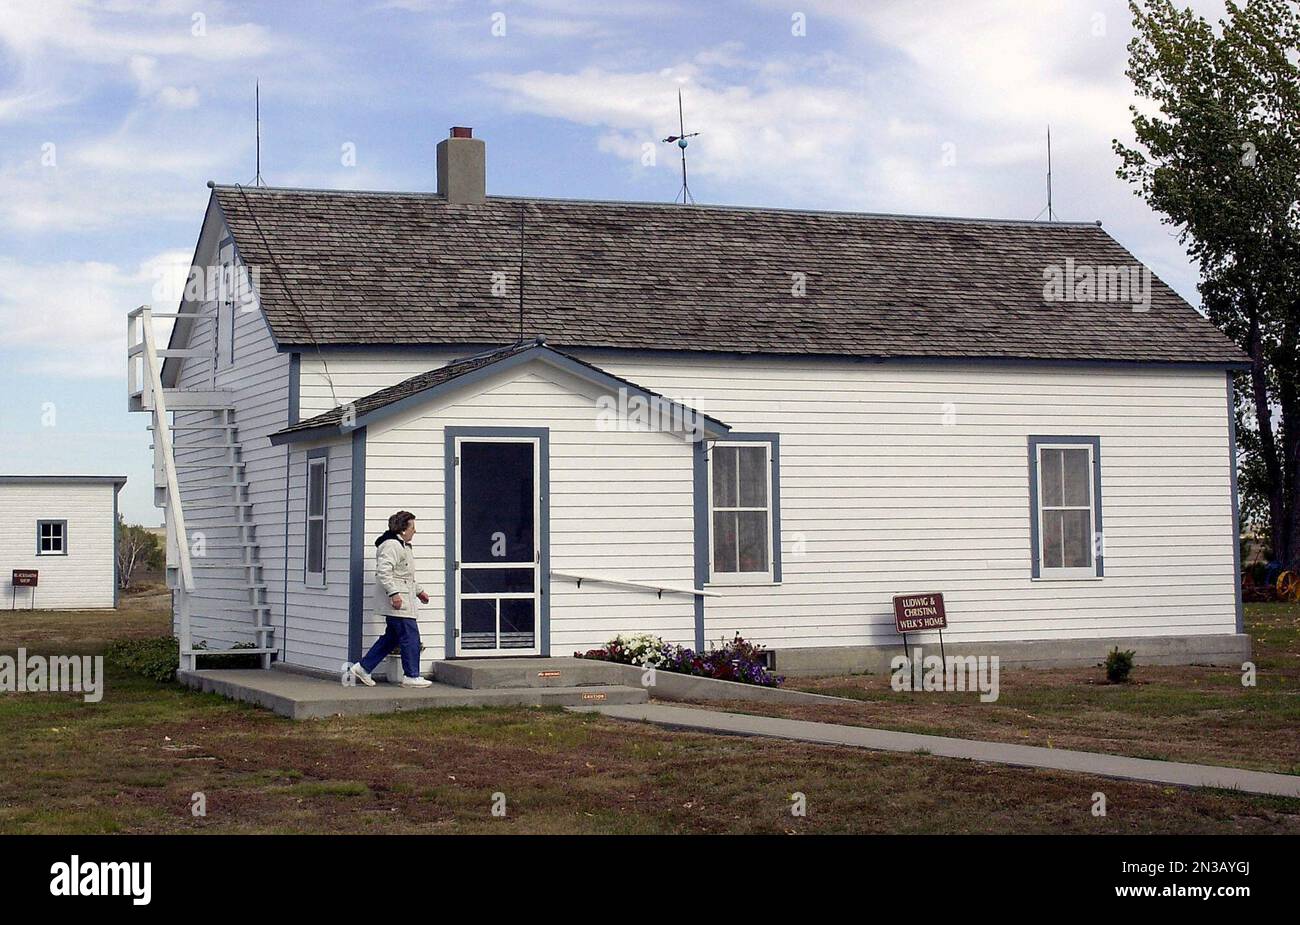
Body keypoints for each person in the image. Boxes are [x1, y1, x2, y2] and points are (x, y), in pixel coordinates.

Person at [348, 511, 433, 688]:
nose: (414, 531)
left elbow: (404, 575)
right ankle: (411, 675)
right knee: (411, 637)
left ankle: (363, 667)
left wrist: (419, 592)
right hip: (399, 603)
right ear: (403, 529)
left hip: (403, 599)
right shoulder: (392, 545)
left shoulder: (402, 546)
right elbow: (384, 572)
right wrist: (394, 594)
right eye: (412, 527)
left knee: (392, 637)